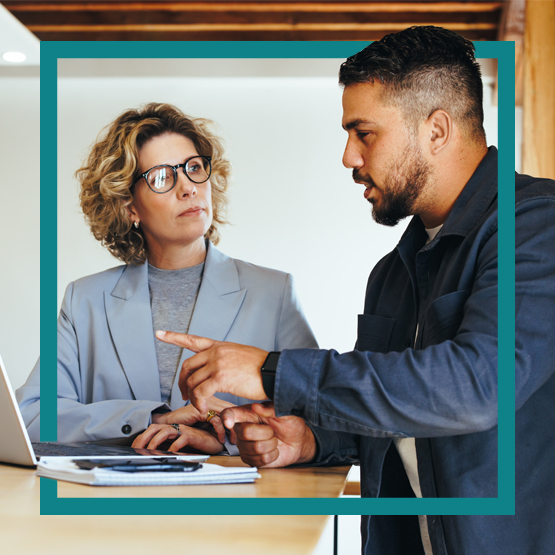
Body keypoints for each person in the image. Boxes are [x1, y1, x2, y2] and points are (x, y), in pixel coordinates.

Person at [153, 27, 555, 554]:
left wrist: (269, 370)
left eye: (364, 133)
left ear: (436, 130)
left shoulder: (537, 226)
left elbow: (478, 387)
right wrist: (309, 439)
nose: (348, 156)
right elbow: (397, 412)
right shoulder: (392, 272)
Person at [16, 102, 317, 455]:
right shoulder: (85, 300)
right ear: (129, 206)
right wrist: (152, 419)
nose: (188, 187)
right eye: (162, 177)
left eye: (193, 168)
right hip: (114, 506)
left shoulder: (274, 293)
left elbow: (319, 420)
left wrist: (222, 441)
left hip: (231, 506)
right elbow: (32, 416)